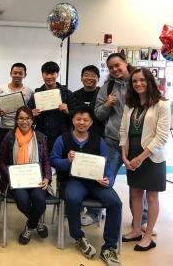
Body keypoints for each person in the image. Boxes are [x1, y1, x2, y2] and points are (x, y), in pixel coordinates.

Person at [50, 106, 122, 266]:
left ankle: (109, 248)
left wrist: (109, 180)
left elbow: (107, 163)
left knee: (116, 203)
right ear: (73, 120)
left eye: (85, 120)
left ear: (90, 123)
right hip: (75, 181)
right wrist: (67, 161)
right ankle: (79, 237)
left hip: (97, 182)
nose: (81, 122)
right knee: (72, 197)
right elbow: (53, 160)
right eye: (78, 119)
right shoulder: (63, 139)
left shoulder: (98, 140)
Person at [94, 53, 154, 234]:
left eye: (117, 65)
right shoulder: (107, 87)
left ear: (125, 63)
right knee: (104, 179)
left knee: (137, 185)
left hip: (137, 143)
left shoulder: (138, 82)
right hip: (112, 141)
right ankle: (94, 212)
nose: (114, 69)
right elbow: (98, 114)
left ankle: (141, 220)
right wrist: (107, 104)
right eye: (111, 67)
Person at [120, 68, 169, 251]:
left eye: (142, 80)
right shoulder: (130, 104)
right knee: (135, 194)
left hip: (152, 155)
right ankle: (135, 230)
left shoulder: (161, 104)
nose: (138, 84)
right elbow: (123, 130)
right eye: (134, 81)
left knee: (151, 195)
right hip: (131, 151)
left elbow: (162, 137)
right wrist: (124, 154)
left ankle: (148, 236)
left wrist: (140, 158)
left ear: (149, 81)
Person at [0, 106, 52, 245]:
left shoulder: (40, 137)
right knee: (22, 200)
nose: (24, 121)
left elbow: (46, 160)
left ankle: (29, 226)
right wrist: (11, 174)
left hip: (36, 180)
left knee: (40, 199)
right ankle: (37, 222)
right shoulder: (9, 137)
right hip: (16, 181)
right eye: (21, 118)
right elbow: (1, 162)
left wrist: (46, 178)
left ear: (32, 120)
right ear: (16, 120)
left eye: (28, 118)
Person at [73, 65, 105, 226]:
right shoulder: (75, 95)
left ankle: (94, 212)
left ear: (98, 78)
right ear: (81, 77)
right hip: (78, 139)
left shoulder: (102, 93)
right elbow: (71, 116)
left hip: (98, 138)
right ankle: (76, 205)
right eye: (86, 75)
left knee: (95, 173)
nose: (89, 78)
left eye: (93, 75)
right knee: (79, 173)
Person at [28, 61, 76, 155]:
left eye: (52, 73)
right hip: (41, 136)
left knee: (60, 164)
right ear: (42, 75)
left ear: (57, 74)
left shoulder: (67, 93)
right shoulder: (36, 95)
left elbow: (75, 117)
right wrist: (32, 115)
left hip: (62, 136)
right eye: (46, 73)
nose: (49, 77)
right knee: (42, 164)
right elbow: (28, 118)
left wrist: (67, 111)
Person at [0, 63, 34, 146]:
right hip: (4, 128)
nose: (17, 75)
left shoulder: (29, 91)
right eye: (15, 73)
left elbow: (30, 111)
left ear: (25, 75)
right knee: (3, 156)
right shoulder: (1, 89)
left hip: (22, 129)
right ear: (10, 74)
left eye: (20, 73)